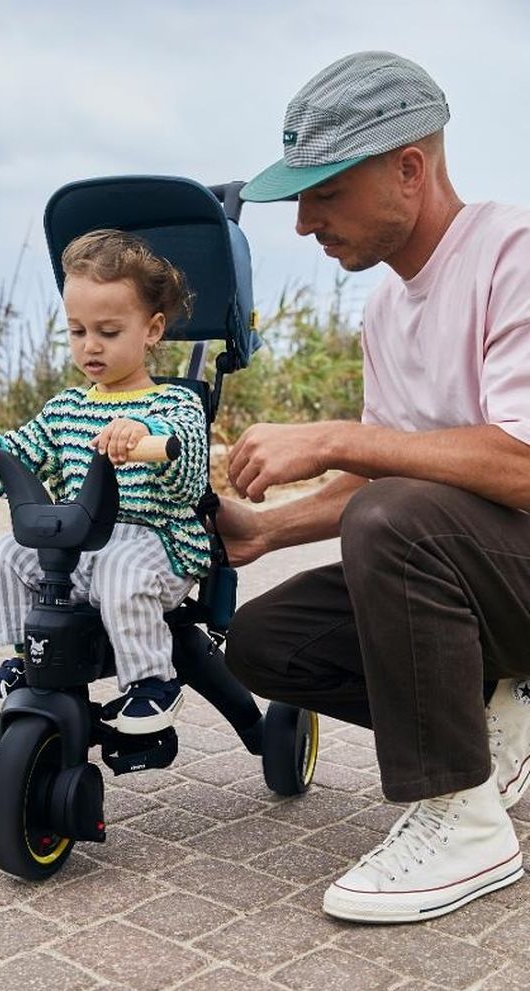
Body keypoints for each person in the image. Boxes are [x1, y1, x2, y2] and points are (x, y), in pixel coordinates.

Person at [220, 50, 530, 923]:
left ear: (408, 168)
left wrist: (335, 436)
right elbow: (378, 477)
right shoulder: (388, 308)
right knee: (264, 643)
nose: (305, 224)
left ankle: (463, 822)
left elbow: (521, 466)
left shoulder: (515, 252)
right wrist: (267, 529)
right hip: (492, 574)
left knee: (398, 518)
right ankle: (502, 712)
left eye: (326, 193)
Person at [0, 229, 210, 735]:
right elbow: (24, 452)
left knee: (121, 569)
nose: (90, 346)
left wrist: (149, 437)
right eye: (76, 331)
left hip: (157, 544)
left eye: (108, 332)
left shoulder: (173, 405)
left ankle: (152, 681)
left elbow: (187, 472)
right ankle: (29, 658)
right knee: (5, 555)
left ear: (151, 330)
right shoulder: (67, 408)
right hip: (83, 544)